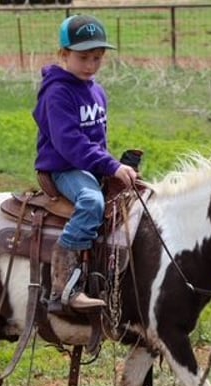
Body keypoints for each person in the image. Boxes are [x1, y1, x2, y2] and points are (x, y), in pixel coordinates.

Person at [33, 14, 138, 313]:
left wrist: (112, 166)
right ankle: (64, 282)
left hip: (88, 166)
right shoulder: (57, 93)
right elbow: (70, 144)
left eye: (97, 58)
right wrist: (110, 166)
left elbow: (97, 140)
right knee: (92, 203)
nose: (90, 65)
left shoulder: (97, 91)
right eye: (83, 57)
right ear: (63, 54)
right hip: (64, 167)